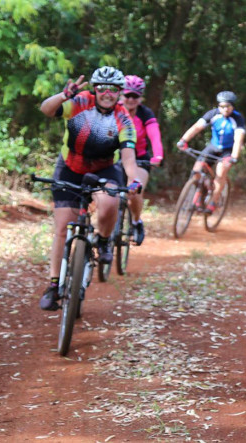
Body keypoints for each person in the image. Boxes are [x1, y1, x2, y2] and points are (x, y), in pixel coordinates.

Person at [37, 66, 143, 311]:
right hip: (70, 167)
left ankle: (104, 240)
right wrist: (63, 95)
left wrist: (134, 181)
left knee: (108, 204)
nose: (107, 93)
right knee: (63, 228)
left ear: (119, 92)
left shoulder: (123, 118)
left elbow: (128, 157)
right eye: (102, 88)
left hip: (103, 170)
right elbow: (46, 109)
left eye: (113, 89)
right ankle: (54, 284)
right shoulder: (79, 102)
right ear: (95, 89)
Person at [176, 91, 246, 213]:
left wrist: (234, 156)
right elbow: (196, 127)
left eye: (227, 106)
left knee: (220, 173)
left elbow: (238, 139)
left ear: (233, 106)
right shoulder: (213, 114)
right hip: (213, 147)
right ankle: (200, 193)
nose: (224, 109)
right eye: (222, 106)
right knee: (197, 170)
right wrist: (183, 140)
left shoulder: (238, 119)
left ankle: (213, 201)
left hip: (227, 150)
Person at [117, 75, 164, 246]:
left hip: (139, 160)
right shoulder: (113, 110)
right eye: (127, 95)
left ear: (140, 98)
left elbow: (154, 135)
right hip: (114, 158)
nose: (130, 99)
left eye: (135, 96)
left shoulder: (145, 114)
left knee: (135, 191)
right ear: (121, 95)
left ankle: (136, 222)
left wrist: (157, 156)